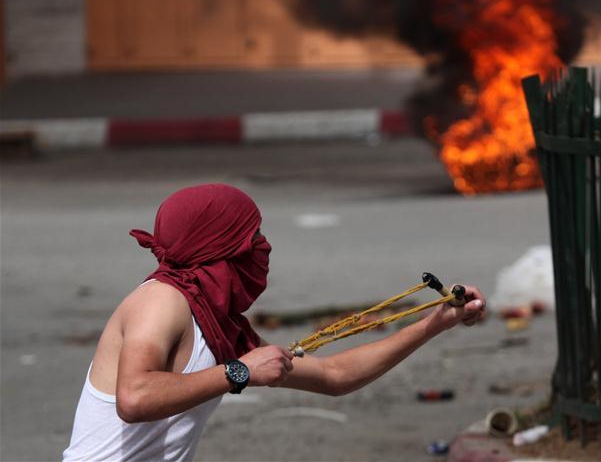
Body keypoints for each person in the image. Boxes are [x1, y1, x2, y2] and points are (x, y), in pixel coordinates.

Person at [62, 183, 486, 461]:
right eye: (252, 237)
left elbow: (334, 375)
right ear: (221, 245)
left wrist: (435, 324)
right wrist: (240, 372)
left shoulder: (218, 322)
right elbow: (135, 398)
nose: (262, 247)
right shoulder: (160, 301)